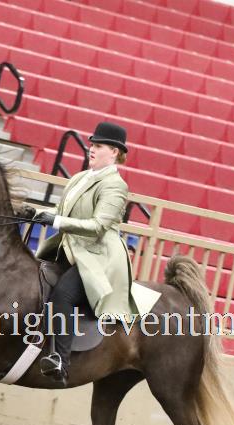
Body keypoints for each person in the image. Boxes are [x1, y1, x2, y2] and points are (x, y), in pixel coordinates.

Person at [32, 121, 160, 384]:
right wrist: (35, 212)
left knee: (64, 295)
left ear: (114, 152)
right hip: (71, 249)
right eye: (92, 144)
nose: (91, 149)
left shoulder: (115, 185)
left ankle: (60, 360)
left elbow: (98, 226)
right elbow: (62, 212)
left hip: (99, 257)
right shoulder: (80, 178)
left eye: (98, 146)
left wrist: (56, 222)